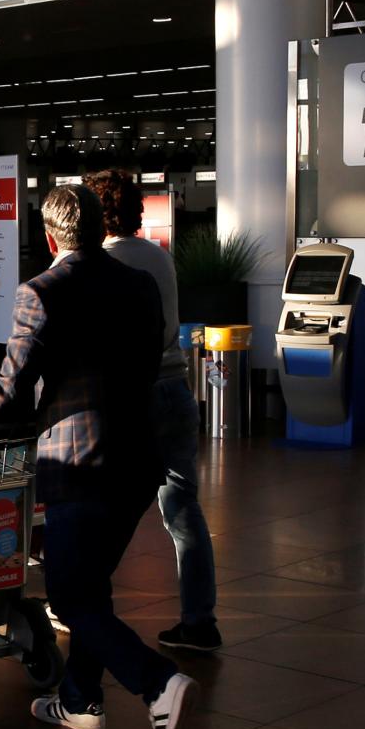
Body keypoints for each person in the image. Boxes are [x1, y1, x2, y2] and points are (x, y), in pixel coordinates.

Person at [0, 185, 197, 729]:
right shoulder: (140, 285)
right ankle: (80, 700)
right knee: (92, 583)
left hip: (79, 462)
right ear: (103, 228)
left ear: (50, 237)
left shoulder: (41, 292)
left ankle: (157, 684)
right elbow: (145, 365)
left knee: (72, 597)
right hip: (137, 458)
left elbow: (8, 386)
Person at [86, 170, 220, 653]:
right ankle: (200, 622)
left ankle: (82, 608)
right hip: (176, 390)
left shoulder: (102, 262)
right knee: (184, 513)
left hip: (133, 398)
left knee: (105, 510)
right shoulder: (158, 256)